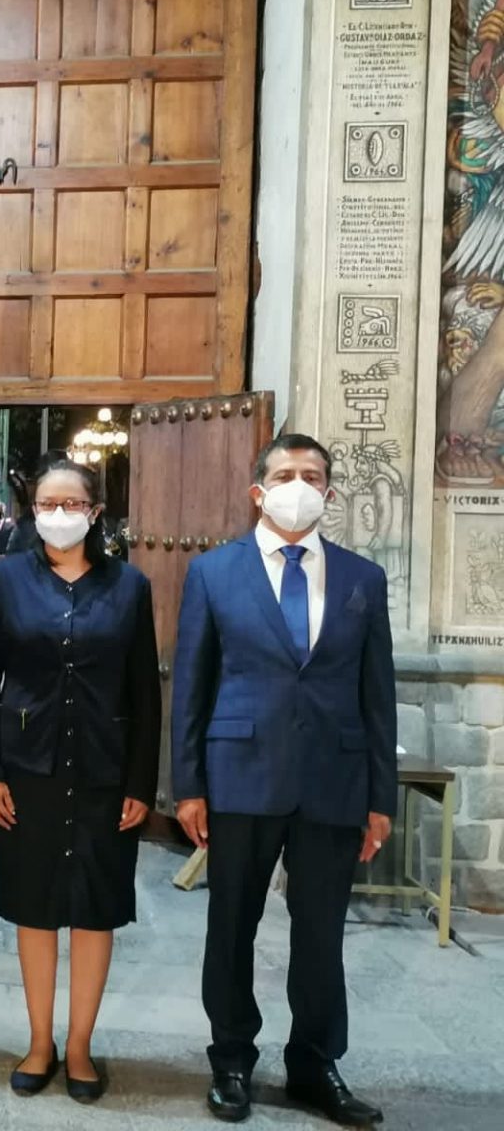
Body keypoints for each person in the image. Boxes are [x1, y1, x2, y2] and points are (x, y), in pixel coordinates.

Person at [172, 433, 396, 1127]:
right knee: (232, 925)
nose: (302, 484)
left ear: (330, 492)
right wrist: (187, 785)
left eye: (315, 475)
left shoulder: (363, 580)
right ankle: (232, 1058)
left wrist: (380, 800)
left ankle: (315, 1062)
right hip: (239, 775)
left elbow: (376, 694)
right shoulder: (215, 573)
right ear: (258, 491)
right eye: (286, 473)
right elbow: (193, 685)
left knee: (322, 931)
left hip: (333, 780)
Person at [0, 458, 161, 1103]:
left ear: (95, 511)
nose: (58, 514)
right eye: (46, 504)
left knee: (94, 909)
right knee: (34, 906)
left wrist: (142, 779)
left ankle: (79, 1045)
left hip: (106, 771)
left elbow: (144, 692)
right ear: (32, 512)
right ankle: (39, 1040)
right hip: (29, 770)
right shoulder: (4, 580)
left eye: (71, 503)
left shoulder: (130, 586)